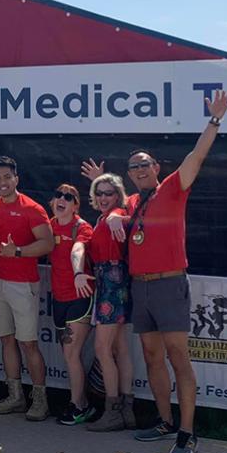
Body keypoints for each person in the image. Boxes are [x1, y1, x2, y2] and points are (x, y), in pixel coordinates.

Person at [82, 90, 227, 453]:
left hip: (169, 283)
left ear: (156, 167)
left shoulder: (173, 188)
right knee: (151, 357)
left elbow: (198, 155)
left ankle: (187, 433)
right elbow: (110, 208)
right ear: (129, 175)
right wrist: (111, 205)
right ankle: (164, 421)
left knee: (179, 357)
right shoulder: (131, 202)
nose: (140, 170)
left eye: (144, 164)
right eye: (134, 167)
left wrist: (214, 120)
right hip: (139, 288)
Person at [0, 156, 55, 421]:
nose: (2, 182)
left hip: (23, 284)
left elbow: (47, 243)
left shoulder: (33, 208)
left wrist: (17, 251)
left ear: (16, 178)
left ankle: (40, 400)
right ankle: (15, 396)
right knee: (6, 339)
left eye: (6, 177)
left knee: (28, 344)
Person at [84, 173, 135, 432]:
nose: (103, 197)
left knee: (103, 349)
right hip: (112, 284)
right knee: (119, 348)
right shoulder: (104, 217)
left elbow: (130, 220)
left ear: (117, 195)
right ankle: (126, 410)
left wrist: (120, 215)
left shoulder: (115, 216)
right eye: (99, 192)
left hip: (113, 285)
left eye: (108, 193)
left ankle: (112, 410)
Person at [46, 183, 97, 426]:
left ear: (76, 205)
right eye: (58, 195)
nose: (62, 199)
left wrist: (78, 272)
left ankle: (78, 405)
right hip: (58, 298)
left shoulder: (82, 227)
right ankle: (82, 401)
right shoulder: (49, 225)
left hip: (80, 296)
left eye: (69, 196)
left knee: (71, 353)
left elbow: (78, 249)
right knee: (69, 355)